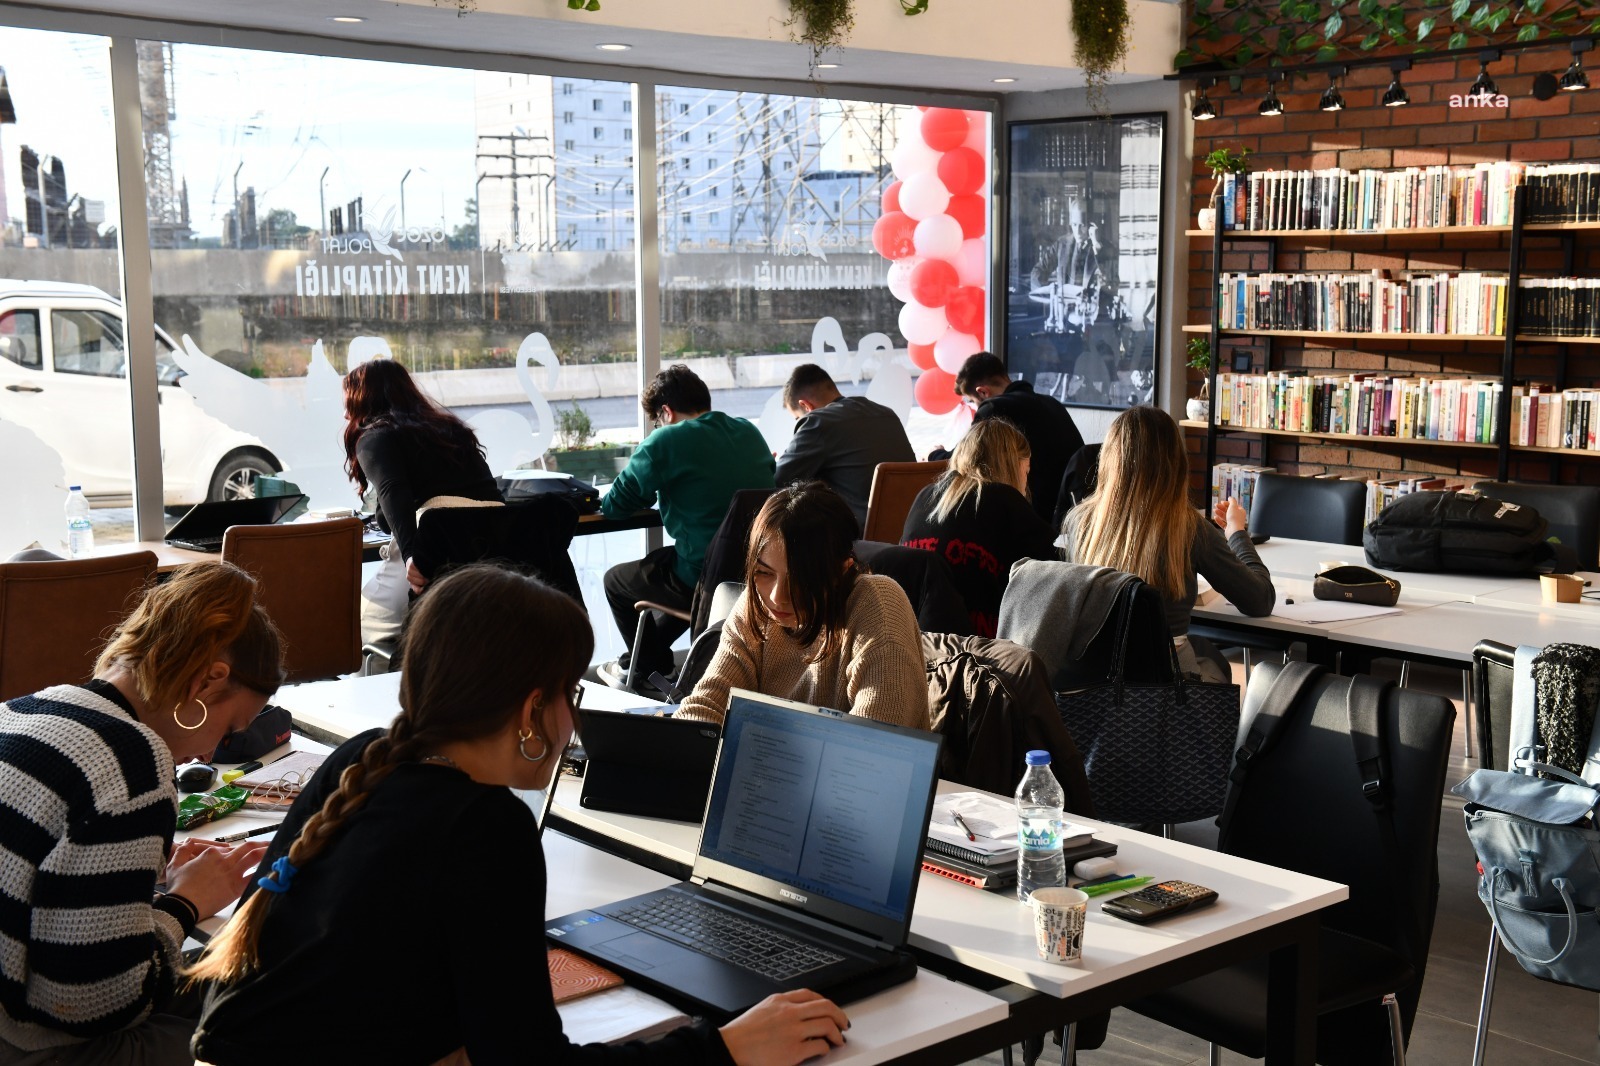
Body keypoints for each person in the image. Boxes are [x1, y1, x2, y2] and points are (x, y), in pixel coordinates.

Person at [189, 564, 848, 1066]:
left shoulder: (365, 761)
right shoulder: (484, 826)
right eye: (571, 693)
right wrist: (725, 1048)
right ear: (532, 710)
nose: (574, 722)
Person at [0, 561, 285, 1063]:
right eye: (229, 730)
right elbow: (98, 1006)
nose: (209, 754)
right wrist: (183, 905)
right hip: (27, 1042)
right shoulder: (133, 763)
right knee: (256, 1007)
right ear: (207, 682)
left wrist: (133, 882)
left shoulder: (23, 710)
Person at [676, 481, 929, 729]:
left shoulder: (879, 605)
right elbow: (708, 703)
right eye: (764, 573)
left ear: (842, 571)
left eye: (800, 579)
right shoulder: (757, 605)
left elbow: (872, 745)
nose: (777, 596)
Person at [1061, 405, 1274, 682]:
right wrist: (1236, 532)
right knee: (1214, 664)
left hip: (1095, 687)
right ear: (1175, 463)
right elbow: (1260, 600)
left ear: (1110, 458)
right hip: (1166, 690)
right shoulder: (1189, 530)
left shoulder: (1081, 522)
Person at [598, 364, 775, 687]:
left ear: (665, 412)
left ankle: (646, 669)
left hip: (701, 575)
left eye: (656, 420)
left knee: (616, 581)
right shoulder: (748, 432)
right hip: (757, 572)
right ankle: (649, 662)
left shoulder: (666, 439)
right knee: (672, 574)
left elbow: (615, 506)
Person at [342, 358, 502, 648]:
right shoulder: (449, 430)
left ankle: (378, 690)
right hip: (494, 557)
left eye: (348, 402)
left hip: (435, 550)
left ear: (362, 401)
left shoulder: (376, 437)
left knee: (360, 628)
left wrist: (411, 556)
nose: (345, 414)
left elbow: (394, 491)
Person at [899, 419, 1058, 637]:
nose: (1026, 480)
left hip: (916, 634)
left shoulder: (925, 495)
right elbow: (1055, 567)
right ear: (1013, 464)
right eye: (1026, 470)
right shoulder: (1005, 500)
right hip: (980, 645)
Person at [953, 351, 1086, 527]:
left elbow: (967, 458)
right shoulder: (1052, 403)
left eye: (972, 401)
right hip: (1074, 515)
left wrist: (935, 454)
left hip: (1034, 520)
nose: (975, 407)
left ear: (983, 392)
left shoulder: (993, 408)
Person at [773, 363, 914, 528]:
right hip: (910, 531)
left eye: (797, 418)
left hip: (859, 537)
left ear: (806, 406)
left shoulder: (817, 421)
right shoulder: (887, 414)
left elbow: (779, 480)